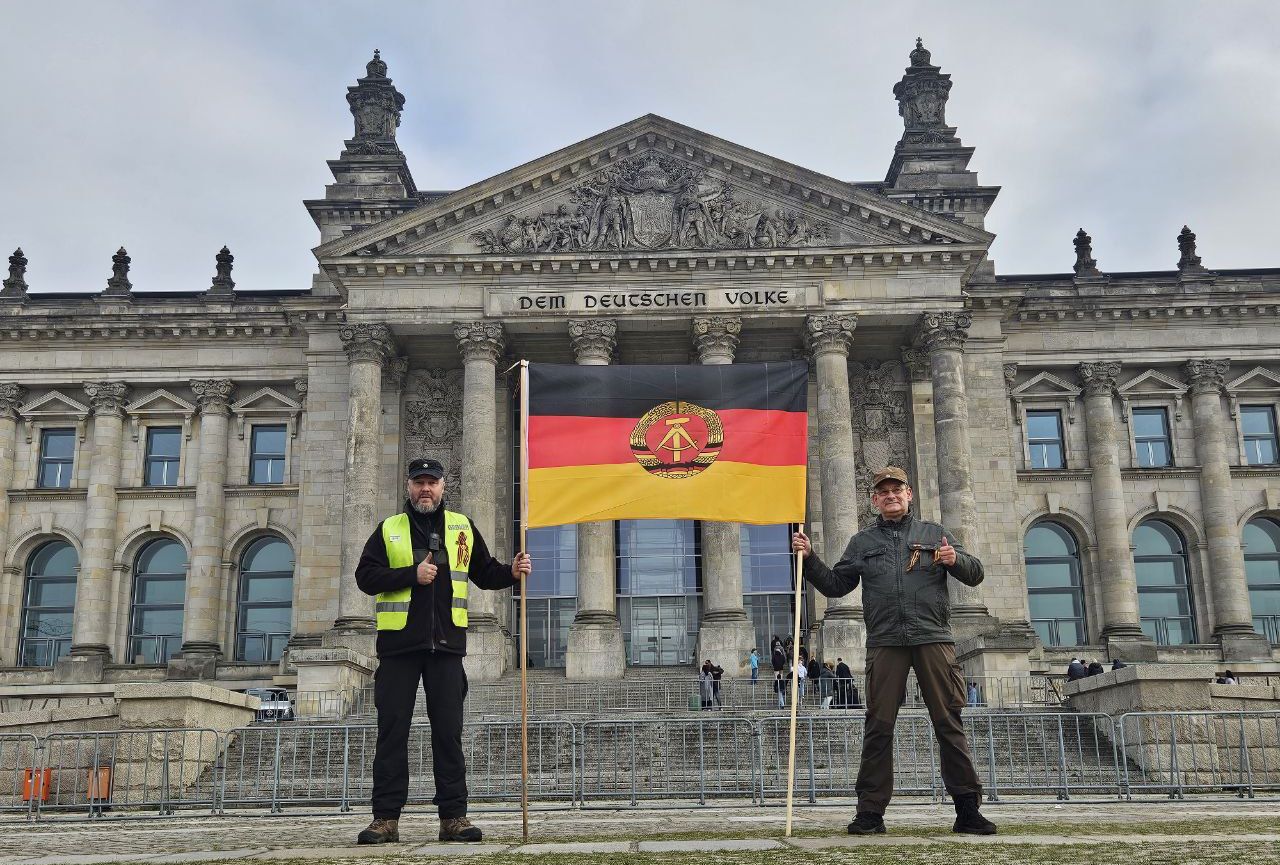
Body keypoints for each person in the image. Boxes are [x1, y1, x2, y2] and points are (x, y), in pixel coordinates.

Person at [792, 465, 996, 836]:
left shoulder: (934, 534)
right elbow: (837, 585)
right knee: (878, 727)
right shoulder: (862, 542)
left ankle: (968, 809)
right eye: (883, 492)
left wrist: (956, 560)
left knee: (948, 723)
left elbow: (975, 573)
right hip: (886, 642)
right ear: (874, 500)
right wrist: (809, 559)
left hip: (933, 638)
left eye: (896, 490)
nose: (890, 496)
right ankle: (870, 812)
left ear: (909, 494)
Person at [354, 458, 532, 845]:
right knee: (392, 734)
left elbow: (484, 572)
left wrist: (512, 571)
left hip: (447, 649)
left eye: (431, 483)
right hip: (399, 649)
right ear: (408, 486)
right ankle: (385, 819)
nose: (425, 489)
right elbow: (365, 577)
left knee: (449, 735)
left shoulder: (461, 527)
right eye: (419, 482)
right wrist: (411, 575)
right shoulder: (389, 529)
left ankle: (453, 818)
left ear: (443, 487)